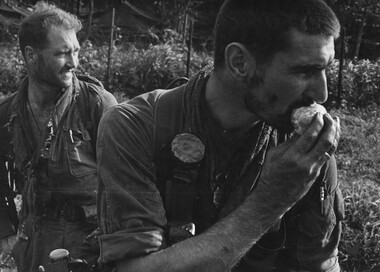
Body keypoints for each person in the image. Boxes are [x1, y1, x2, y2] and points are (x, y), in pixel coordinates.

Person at [96, 0, 344, 271]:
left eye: (325, 69)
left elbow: (319, 263)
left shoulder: (304, 147)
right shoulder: (136, 126)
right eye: (304, 71)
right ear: (239, 63)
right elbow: (134, 269)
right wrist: (270, 202)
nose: (322, 94)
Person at [0, 2, 117, 271]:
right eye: (63, 54)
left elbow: (130, 177)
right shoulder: (7, 113)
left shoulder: (95, 105)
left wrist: (115, 236)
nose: (74, 63)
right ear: (31, 55)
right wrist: (5, 231)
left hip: (88, 244)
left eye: (76, 51)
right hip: (32, 241)